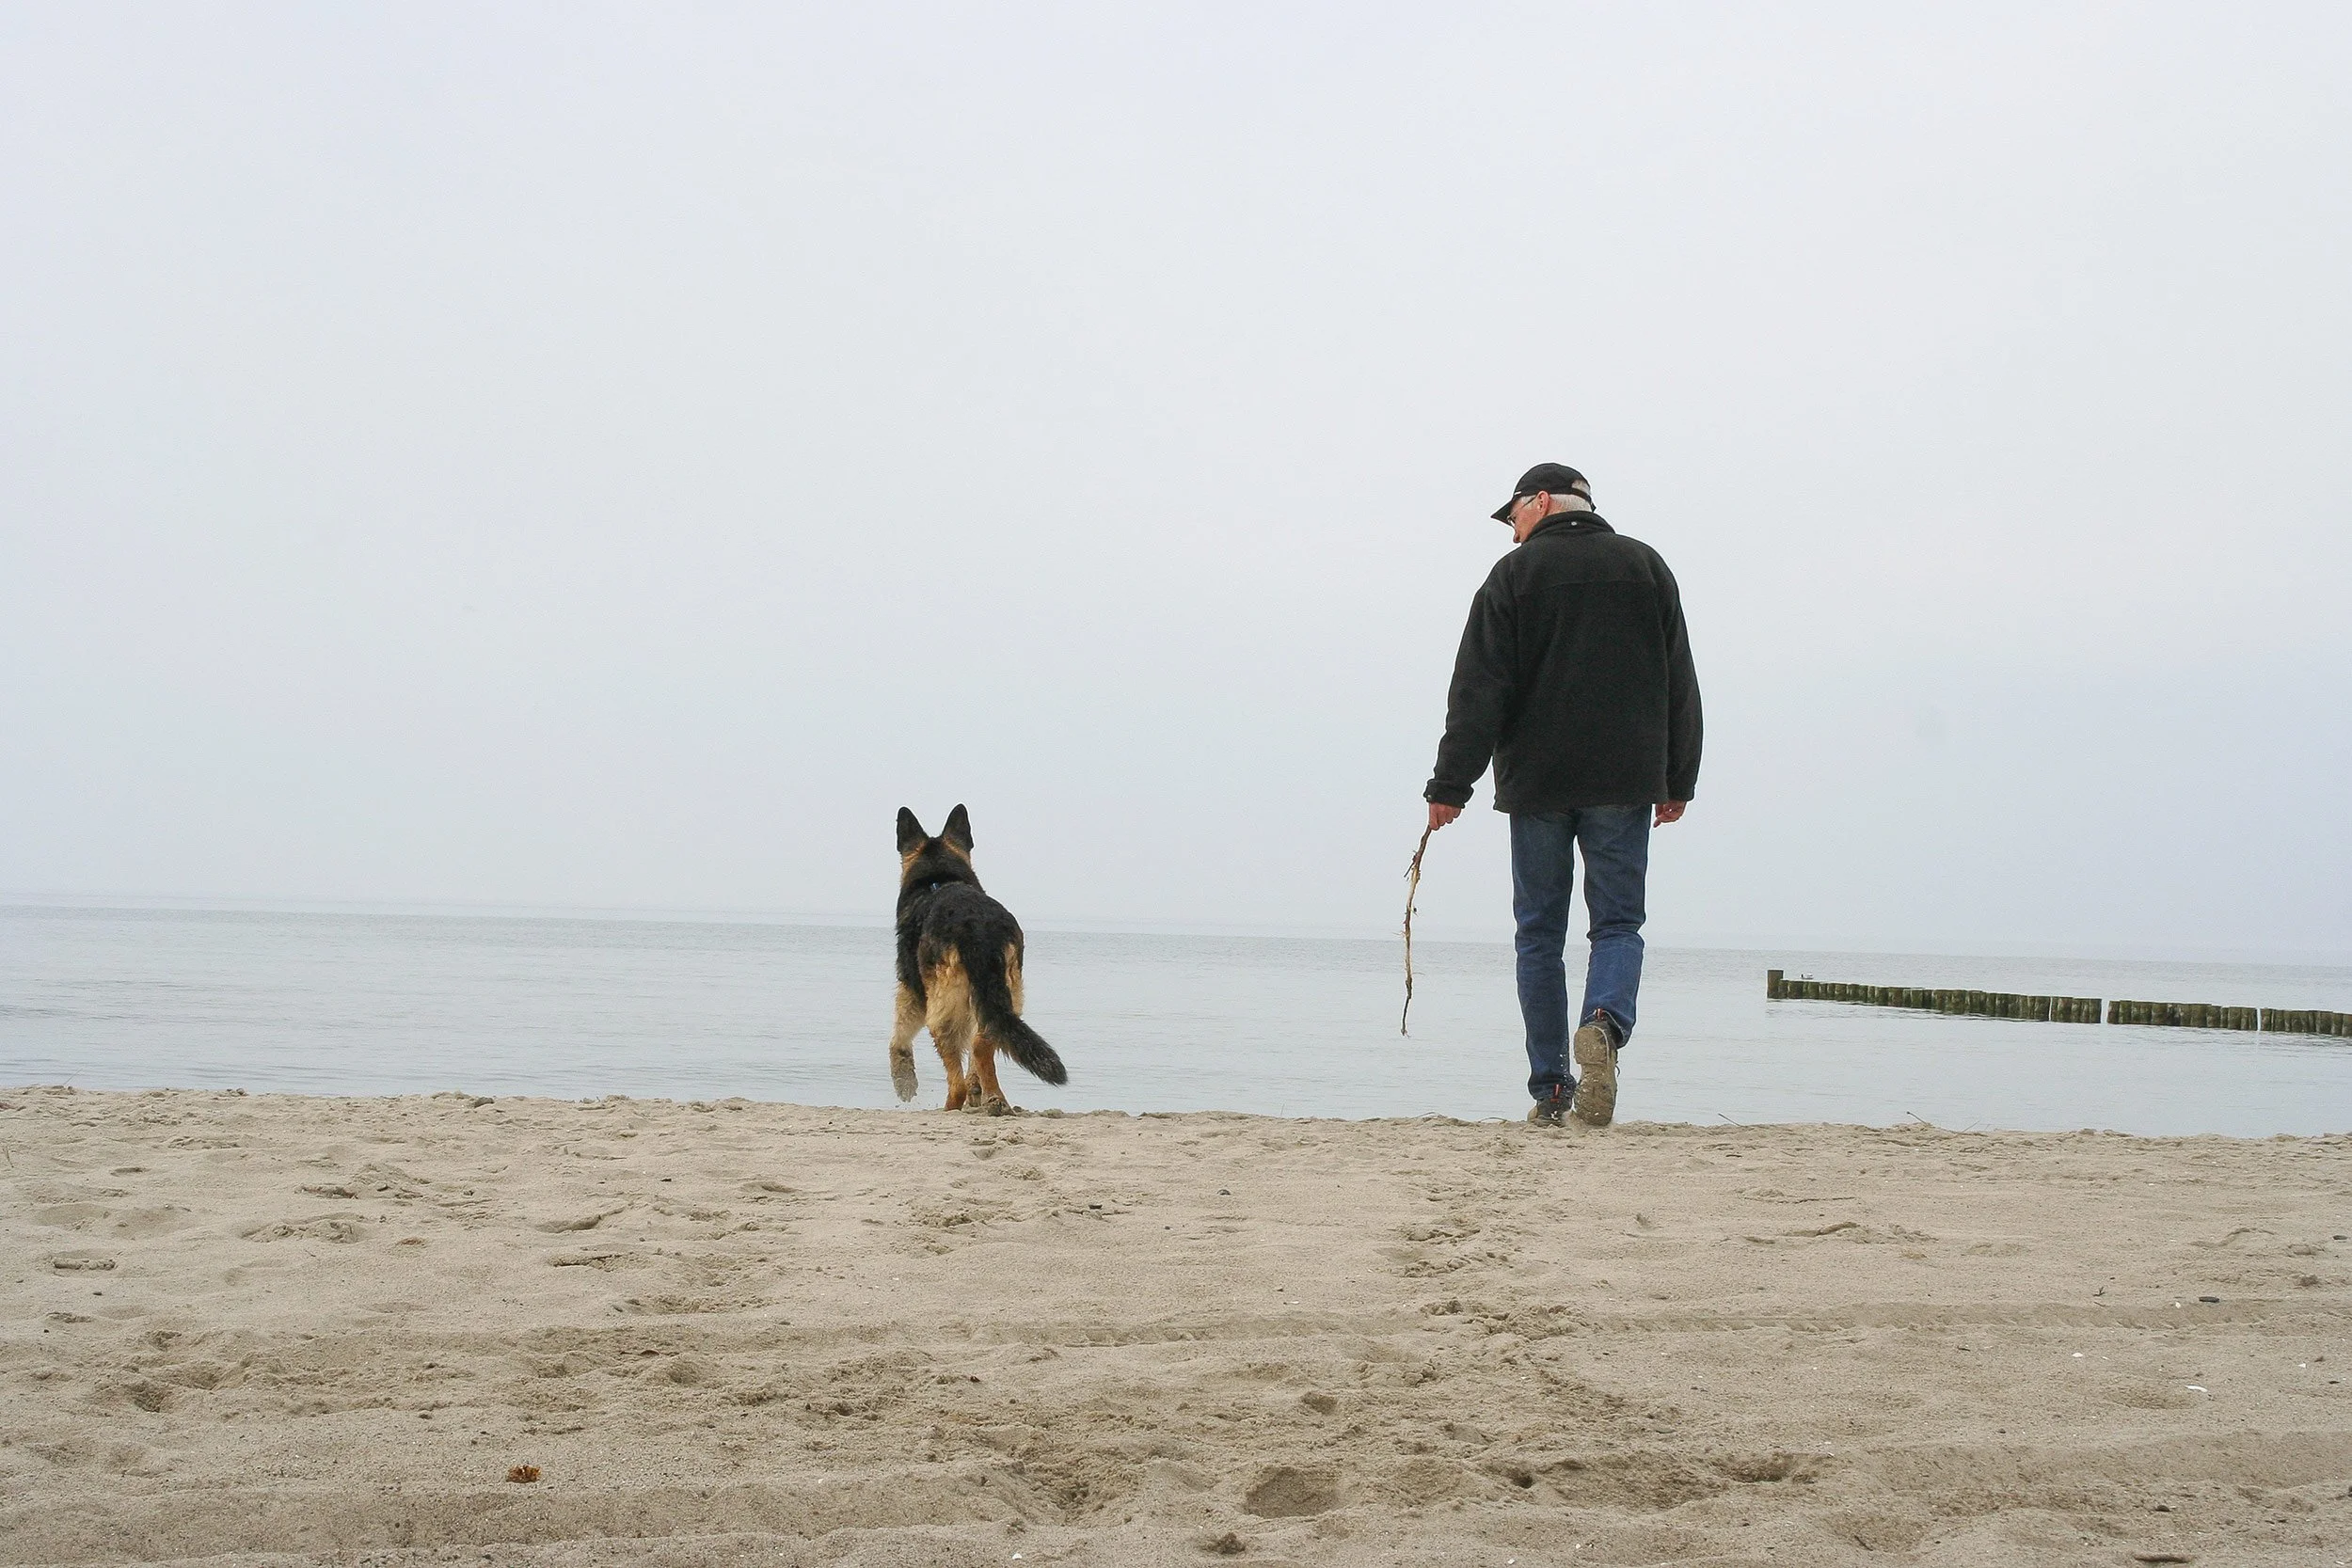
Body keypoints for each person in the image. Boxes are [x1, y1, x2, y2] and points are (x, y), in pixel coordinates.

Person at [1422, 462, 1702, 1128]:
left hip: (1538, 783)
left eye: (1513, 515)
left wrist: (1450, 784)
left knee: (1539, 935)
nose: (1511, 532)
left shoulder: (1512, 579)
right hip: (1624, 777)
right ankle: (1602, 1022)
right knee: (1617, 922)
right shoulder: (1646, 567)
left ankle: (1552, 1089)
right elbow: (1680, 680)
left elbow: (1478, 689)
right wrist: (1678, 776)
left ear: (1541, 501)